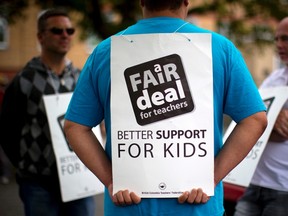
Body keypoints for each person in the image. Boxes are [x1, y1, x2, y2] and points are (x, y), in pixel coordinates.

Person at [64, 1, 267, 216]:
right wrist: (212, 178)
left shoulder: (105, 51)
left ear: (141, 1)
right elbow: (255, 119)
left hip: (128, 206)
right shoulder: (220, 48)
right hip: (197, 206)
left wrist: (111, 180)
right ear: (186, 1)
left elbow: (75, 126)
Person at [0, 8, 95, 216]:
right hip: (39, 183)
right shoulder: (24, 80)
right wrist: (27, 167)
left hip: (80, 178)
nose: (65, 35)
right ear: (40, 36)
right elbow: (7, 131)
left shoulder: (82, 78)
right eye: (57, 30)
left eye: (69, 31)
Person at [234, 17, 288, 216]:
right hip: (254, 182)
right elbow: (250, 121)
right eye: (276, 39)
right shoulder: (275, 78)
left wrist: (265, 122)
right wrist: (273, 118)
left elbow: (280, 132)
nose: (279, 45)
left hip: (283, 189)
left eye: (285, 39)